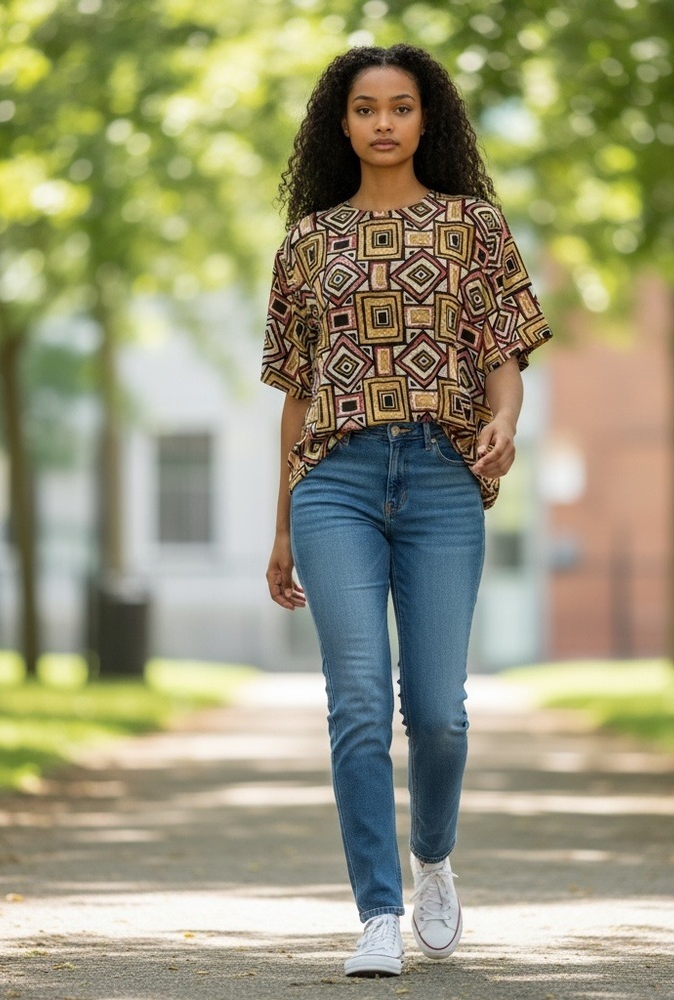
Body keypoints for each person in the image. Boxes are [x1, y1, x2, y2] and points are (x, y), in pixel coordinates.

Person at [261, 43, 551, 978]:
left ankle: (433, 856)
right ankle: (376, 912)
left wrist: (504, 422)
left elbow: (506, 352)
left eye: (401, 107)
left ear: (429, 120)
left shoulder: (473, 226)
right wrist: (279, 527)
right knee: (356, 704)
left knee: (439, 714)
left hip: (440, 480)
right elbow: (295, 391)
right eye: (364, 109)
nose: (383, 123)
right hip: (335, 482)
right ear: (338, 125)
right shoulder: (308, 242)